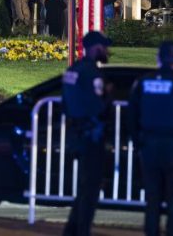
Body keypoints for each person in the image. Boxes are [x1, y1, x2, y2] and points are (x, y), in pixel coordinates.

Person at [126, 42, 173, 236]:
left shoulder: (143, 82)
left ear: (158, 58)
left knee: (152, 201)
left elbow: (131, 116)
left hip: (148, 146)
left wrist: (138, 143)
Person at [62, 32, 112, 236]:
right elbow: (97, 106)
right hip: (91, 135)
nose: (107, 51)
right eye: (104, 47)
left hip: (76, 134)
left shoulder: (73, 69)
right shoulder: (92, 73)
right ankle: (82, 231)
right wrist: (108, 95)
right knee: (90, 190)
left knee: (84, 187)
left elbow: (65, 102)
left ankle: (71, 231)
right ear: (95, 48)